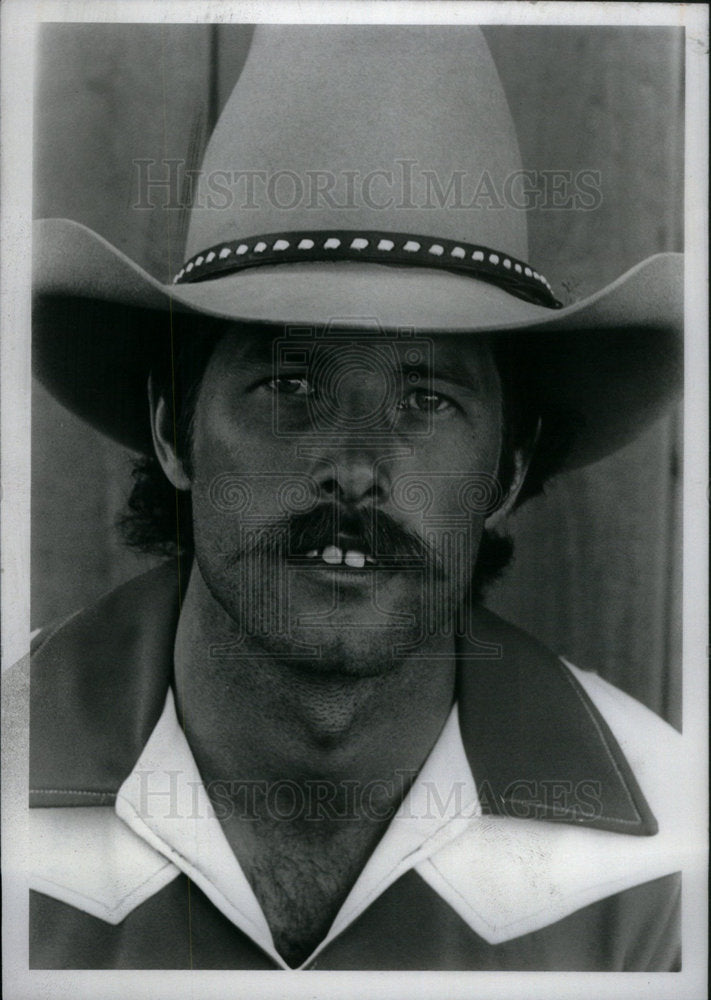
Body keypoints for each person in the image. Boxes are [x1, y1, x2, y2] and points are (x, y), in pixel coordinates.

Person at [22, 25, 683, 970]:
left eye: (425, 398)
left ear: (506, 469)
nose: (355, 467)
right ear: (172, 428)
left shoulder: (664, 865)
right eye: (291, 385)